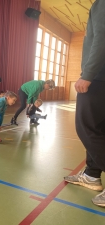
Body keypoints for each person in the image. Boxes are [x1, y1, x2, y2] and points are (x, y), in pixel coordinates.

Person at [64, 0, 105, 208]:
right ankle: (91, 174)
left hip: (98, 78)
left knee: (86, 128)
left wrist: (88, 74)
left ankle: (92, 173)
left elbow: (102, 38)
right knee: (99, 129)